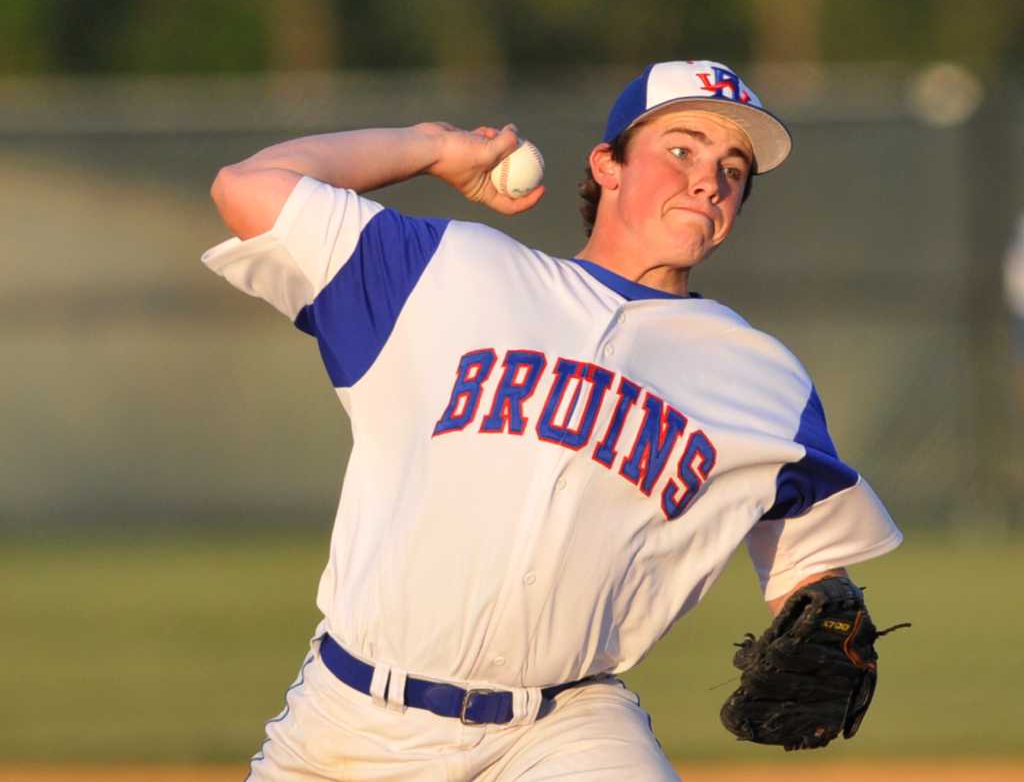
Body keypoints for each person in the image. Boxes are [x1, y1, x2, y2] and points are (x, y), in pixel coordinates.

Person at [203, 60, 902, 780]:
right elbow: (248, 187)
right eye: (682, 150)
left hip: (564, 731)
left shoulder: (762, 377)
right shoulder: (447, 270)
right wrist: (433, 148)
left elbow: (806, 564)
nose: (709, 179)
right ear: (608, 165)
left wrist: (830, 609)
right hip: (354, 720)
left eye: (734, 168)